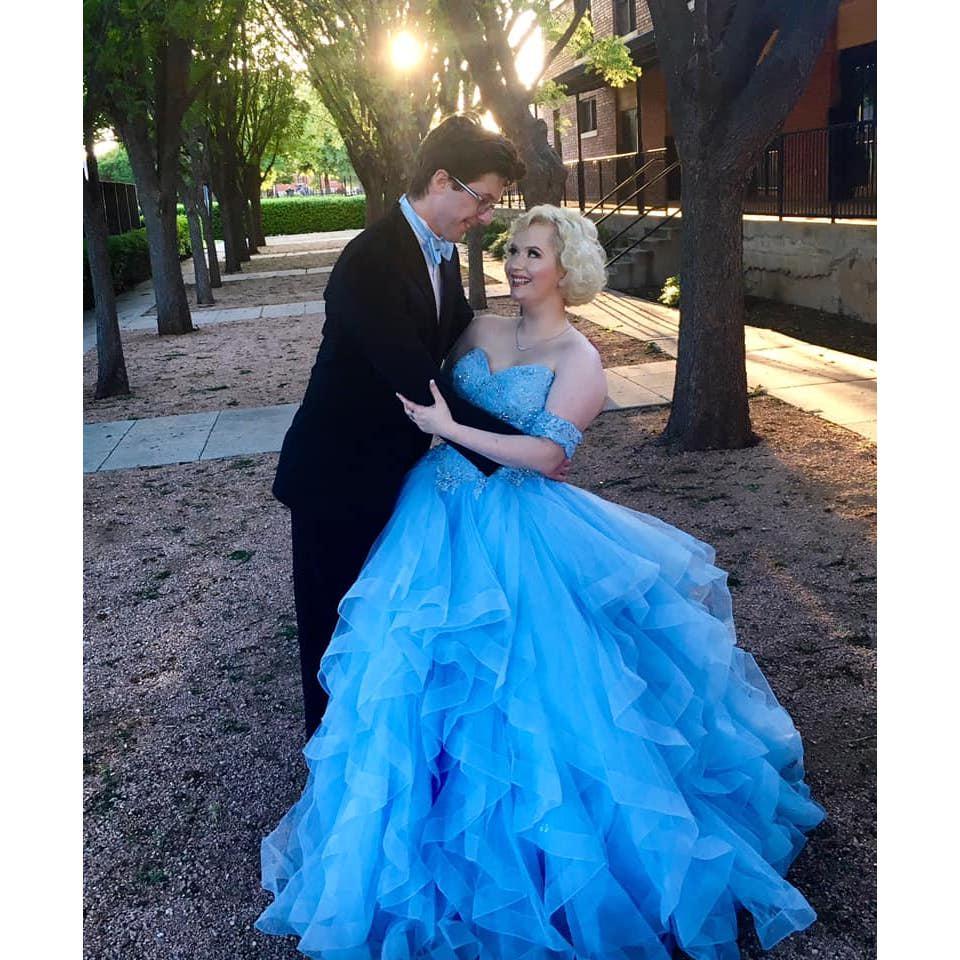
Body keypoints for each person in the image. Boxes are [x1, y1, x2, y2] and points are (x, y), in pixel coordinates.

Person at [256, 204, 825, 959]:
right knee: (412, 681)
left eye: (533, 254)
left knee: (533, 690)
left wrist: (452, 431)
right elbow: (410, 375)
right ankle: (412, 837)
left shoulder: (579, 357)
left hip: (517, 529)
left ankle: (544, 862)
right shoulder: (476, 329)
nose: (516, 264)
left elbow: (550, 458)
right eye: (512, 250)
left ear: (568, 270)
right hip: (430, 516)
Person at [272, 115, 562, 741]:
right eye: (481, 199)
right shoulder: (372, 258)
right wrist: (524, 451)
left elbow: (456, 349)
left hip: (395, 473)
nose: (484, 216)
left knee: (381, 622)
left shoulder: (443, 254)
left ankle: (375, 749)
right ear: (441, 180)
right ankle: (329, 765)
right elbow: (417, 380)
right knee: (335, 626)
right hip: (336, 476)